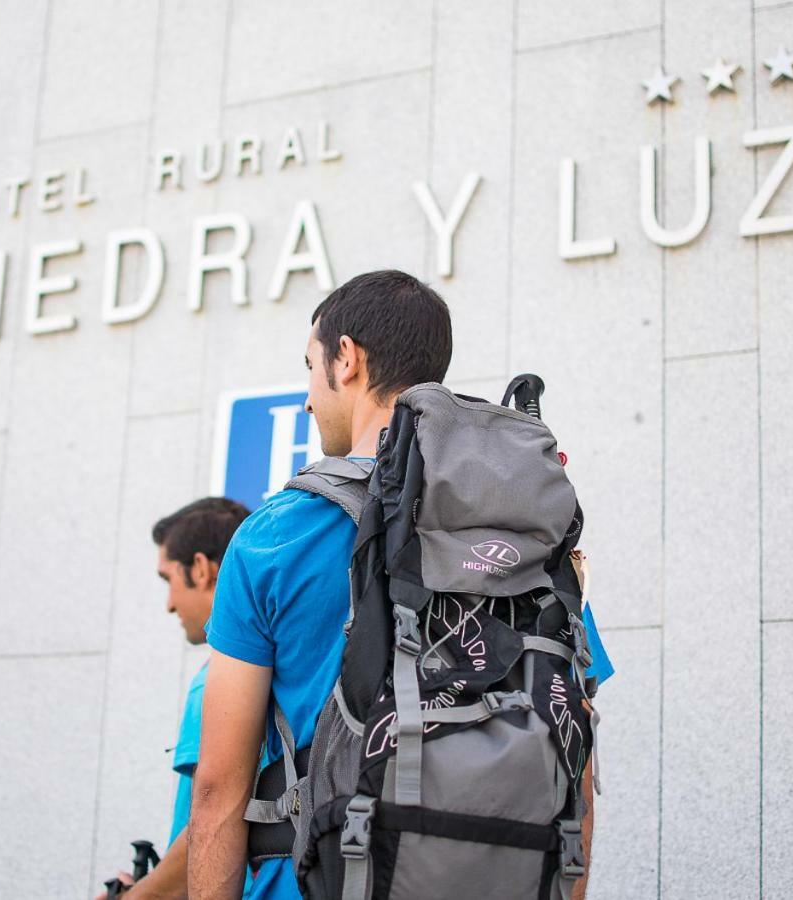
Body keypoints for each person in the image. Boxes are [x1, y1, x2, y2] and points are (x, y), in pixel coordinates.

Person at [187, 270, 598, 899]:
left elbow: (218, 791)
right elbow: (572, 757)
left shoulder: (278, 535)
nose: (306, 397)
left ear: (345, 359)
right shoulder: (527, 534)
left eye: (309, 366)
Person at [96, 497, 250, 900]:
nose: (169, 605)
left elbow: (209, 825)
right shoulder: (281, 673)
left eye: (169, 580)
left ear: (201, 569)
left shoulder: (216, 682)